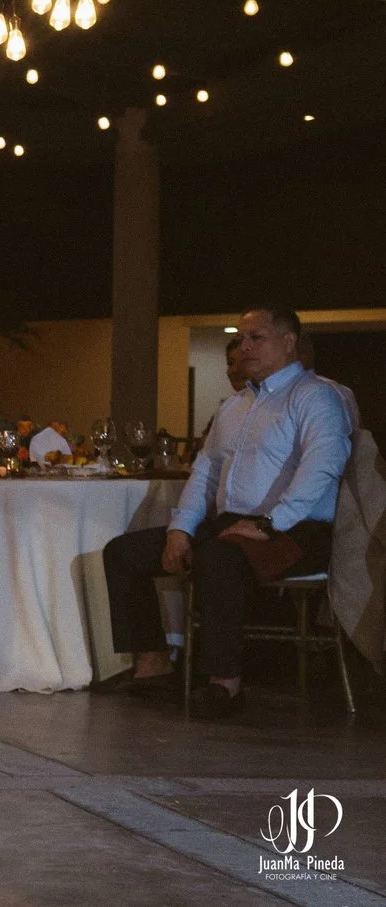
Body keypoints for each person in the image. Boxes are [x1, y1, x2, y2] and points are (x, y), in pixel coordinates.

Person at [102, 307, 353, 716]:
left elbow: (324, 464)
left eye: (258, 338)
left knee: (217, 556)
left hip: (297, 529)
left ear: (289, 343)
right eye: (242, 338)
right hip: (234, 523)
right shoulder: (235, 406)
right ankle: (154, 664)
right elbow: (206, 470)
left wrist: (271, 523)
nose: (245, 347)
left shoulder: (316, 397)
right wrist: (180, 528)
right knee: (123, 553)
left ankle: (225, 682)